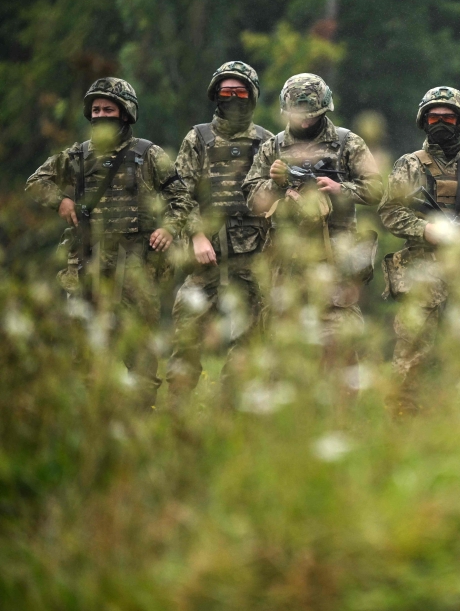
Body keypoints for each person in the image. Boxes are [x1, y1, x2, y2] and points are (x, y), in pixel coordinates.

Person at [26, 77, 178, 408]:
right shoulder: (78, 156)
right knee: (85, 354)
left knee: (141, 355)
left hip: (135, 270)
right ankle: (93, 423)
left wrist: (169, 228)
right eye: (95, 110)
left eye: (108, 109)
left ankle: (140, 420)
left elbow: (181, 198)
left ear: (125, 114)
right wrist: (60, 202)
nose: (99, 115)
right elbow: (37, 182)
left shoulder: (148, 155)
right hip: (86, 268)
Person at [244, 73, 381, 401]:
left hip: (337, 259)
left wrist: (341, 188)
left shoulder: (348, 143)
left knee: (341, 344)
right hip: (287, 262)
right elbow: (251, 196)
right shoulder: (273, 147)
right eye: (297, 115)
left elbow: (377, 188)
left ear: (324, 111)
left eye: (311, 115)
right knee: (281, 342)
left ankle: (341, 423)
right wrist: (280, 186)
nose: (304, 121)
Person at [378, 86, 460, 414]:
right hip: (422, 279)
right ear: (423, 120)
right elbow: (390, 211)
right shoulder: (410, 164)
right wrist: (426, 229)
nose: (441, 122)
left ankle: (439, 426)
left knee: (451, 360)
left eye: (448, 117)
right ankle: (401, 425)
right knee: (412, 359)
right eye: (434, 116)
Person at [165, 61, 274, 403]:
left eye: (240, 92)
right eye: (226, 92)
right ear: (215, 95)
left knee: (250, 342)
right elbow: (178, 193)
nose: (232, 98)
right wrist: (196, 235)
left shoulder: (267, 142)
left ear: (252, 96)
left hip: (253, 257)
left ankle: (230, 411)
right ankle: (177, 411)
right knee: (187, 336)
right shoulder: (198, 138)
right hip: (206, 257)